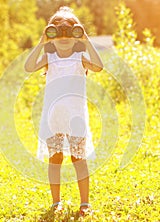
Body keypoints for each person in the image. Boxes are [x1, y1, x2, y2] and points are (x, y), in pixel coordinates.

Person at [24, 6, 103, 216]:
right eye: (58, 31)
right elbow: (28, 66)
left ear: (76, 35)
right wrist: (42, 42)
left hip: (75, 117)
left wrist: (86, 41)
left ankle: (85, 203)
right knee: (55, 159)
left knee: (79, 160)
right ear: (52, 34)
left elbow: (99, 66)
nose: (64, 35)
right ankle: (55, 202)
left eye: (70, 30)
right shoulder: (50, 58)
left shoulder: (80, 57)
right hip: (54, 118)